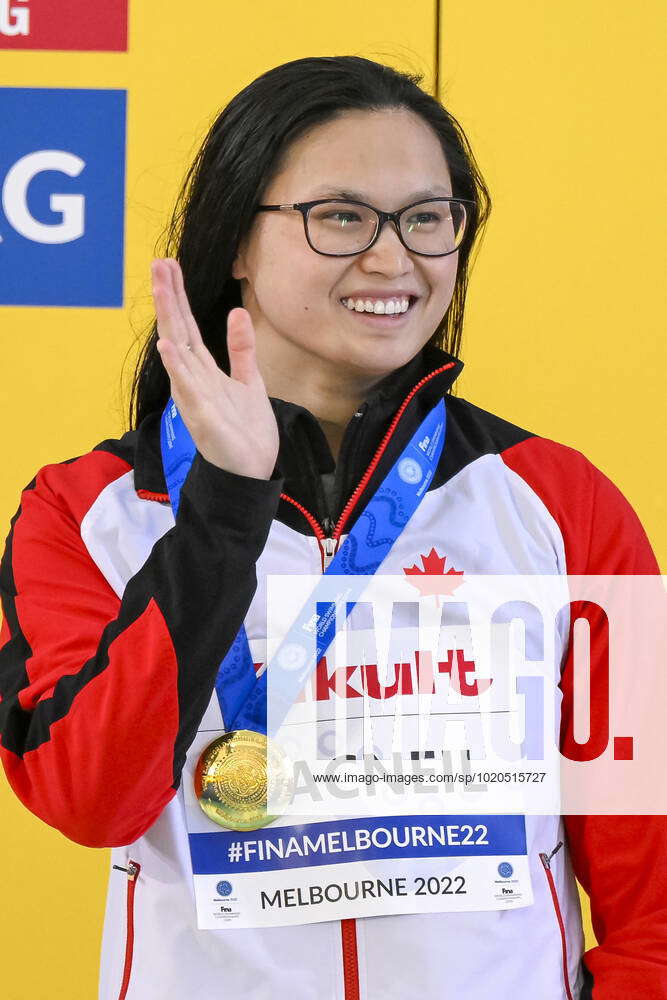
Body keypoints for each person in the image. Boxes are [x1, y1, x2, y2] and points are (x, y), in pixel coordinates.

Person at [0, 55, 664, 1000]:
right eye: (341, 216)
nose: (394, 259)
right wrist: (224, 510)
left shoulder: (558, 501)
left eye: (427, 218)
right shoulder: (87, 510)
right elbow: (89, 794)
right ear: (236, 237)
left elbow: (651, 865)